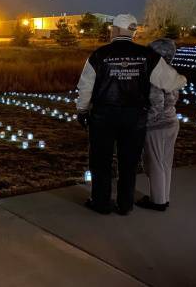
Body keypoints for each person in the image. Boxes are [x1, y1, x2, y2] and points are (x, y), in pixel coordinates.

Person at [76, 15, 186, 215]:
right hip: (134, 118)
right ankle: (125, 205)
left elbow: (85, 88)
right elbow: (174, 82)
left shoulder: (99, 55)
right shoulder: (147, 56)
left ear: (116, 31)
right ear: (133, 32)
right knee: (129, 162)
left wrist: (82, 110)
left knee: (101, 161)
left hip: (104, 117)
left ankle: (101, 203)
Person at [136, 39, 180, 211]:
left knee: (153, 163)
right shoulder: (170, 72)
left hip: (158, 126)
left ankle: (158, 201)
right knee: (165, 162)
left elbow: (156, 104)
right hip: (171, 122)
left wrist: (144, 123)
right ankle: (163, 197)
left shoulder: (155, 75)